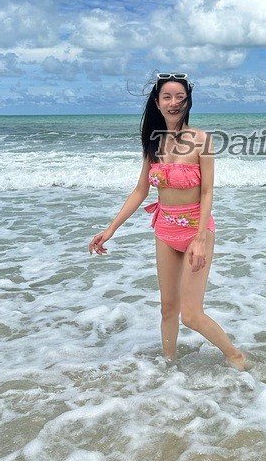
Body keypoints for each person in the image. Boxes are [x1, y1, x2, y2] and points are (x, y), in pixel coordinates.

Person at [88, 73, 248, 371]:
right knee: (167, 309)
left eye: (180, 97)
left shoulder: (201, 140)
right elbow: (140, 190)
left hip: (196, 230)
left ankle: (236, 356)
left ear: (188, 101)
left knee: (191, 314)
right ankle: (168, 370)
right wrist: (111, 228)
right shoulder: (153, 142)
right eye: (167, 97)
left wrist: (200, 238)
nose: (174, 103)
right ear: (157, 102)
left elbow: (208, 191)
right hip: (164, 230)